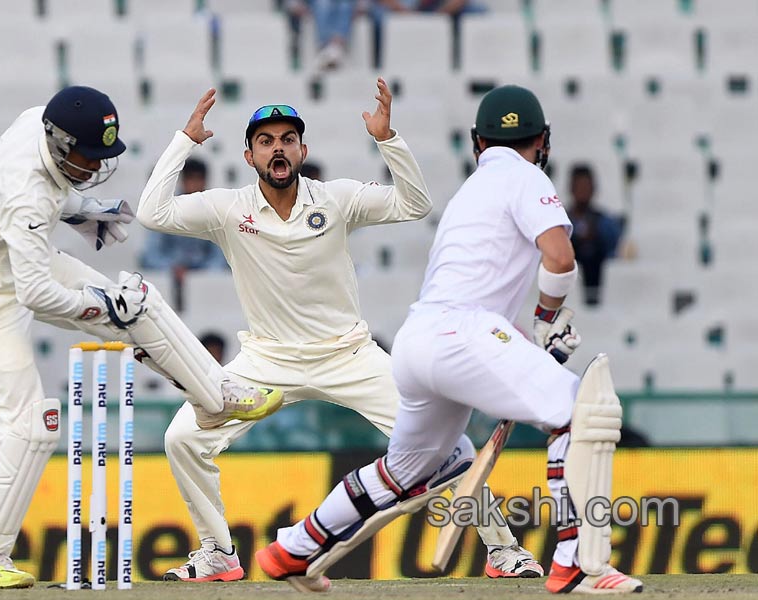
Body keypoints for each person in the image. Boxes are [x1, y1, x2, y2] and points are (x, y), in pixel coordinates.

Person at [137, 79, 542, 583]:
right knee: (181, 439)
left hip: (348, 355)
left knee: (442, 444)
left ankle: (503, 551)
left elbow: (414, 205)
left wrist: (388, 138)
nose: (277, 148)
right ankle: (219, 553)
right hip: (266, 362)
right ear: (249, 155)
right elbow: (151, 213)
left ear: (302, 150)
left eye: (287, 139)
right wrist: (184, 140)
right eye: (266, 141)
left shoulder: (336, 199)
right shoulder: (228, 208)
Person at [255, 85, 643, 594]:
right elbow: (560, 257)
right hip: (466, 335)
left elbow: (486, 290)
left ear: (477, 142)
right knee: (578, 413)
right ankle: (577, 564)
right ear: (543, 140)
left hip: (419, 343)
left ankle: (292, 549)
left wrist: (530, 337)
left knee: (405, 470)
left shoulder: (471, 191)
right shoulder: (527, 177)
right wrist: (549, 317)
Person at [0, 85, 282, 589]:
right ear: (57, 144)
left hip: (21, 261)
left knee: (141, 299)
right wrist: (102, 306)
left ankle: (215, 397)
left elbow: (51, 197)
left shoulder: (40, 121)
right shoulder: (26, 196)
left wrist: (83, 210)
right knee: (34, 424)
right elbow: (36, 293)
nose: (94, 164)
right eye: (86, 157)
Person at [140, 158, 228, 276]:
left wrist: (199, 274)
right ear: (183, 180)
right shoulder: (166, 208)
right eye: (191, 178)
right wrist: (172, 269)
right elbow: (152, 253)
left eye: (199, 179)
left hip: (202, 276)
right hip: (168, 273)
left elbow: (219, 256)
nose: (195, 184)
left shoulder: (214, 210)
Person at [565, 163, 622, 306]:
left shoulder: (606, 222)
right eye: (579, 187)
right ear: (571, 188)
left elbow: (614, 253)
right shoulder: (561, 222)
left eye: (586, 186)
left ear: (593, 189)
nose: (583, 191)